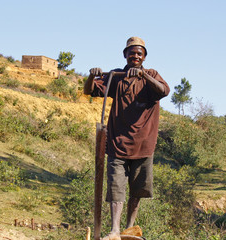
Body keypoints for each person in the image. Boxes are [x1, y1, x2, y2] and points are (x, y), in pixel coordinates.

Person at [84, 37, 170, 240]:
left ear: (144, 57)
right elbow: (90, 90)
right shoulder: (116, 76)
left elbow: (164, 91)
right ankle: (114, 229)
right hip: (117, 143)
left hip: (144, 143)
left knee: (138, 189)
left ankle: (129, 228)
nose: (135, 56)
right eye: (132, 53)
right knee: (116, 188)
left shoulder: (151, 75)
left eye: (139, 53)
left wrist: (144, 76)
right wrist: (91, 76)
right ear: (125, 55)